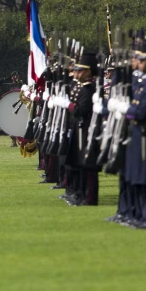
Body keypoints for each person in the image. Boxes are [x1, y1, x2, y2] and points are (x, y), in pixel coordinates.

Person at [110, 35, 146, 228]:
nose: (138, 62)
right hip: (137, 135)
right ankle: (140, 215)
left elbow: (142, 112)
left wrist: (125, 108)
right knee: (136, 178)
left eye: (142, 59)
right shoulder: (142, 83)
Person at [55, 52, 99, 206]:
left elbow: (82, 110)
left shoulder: (88, 89)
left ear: (88, 71)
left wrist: (68, 105)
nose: (75, 73)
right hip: (79, 128)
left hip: (86, 130)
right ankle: (81, 194)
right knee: (79, 165)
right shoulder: (83, 87)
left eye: (79, 70)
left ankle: (89, 197)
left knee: (87, 167)